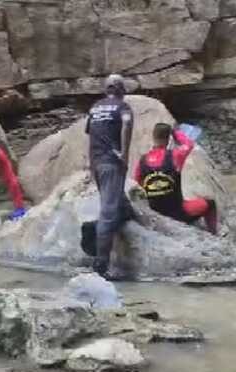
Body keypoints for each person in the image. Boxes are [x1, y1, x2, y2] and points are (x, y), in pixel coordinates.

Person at [85, 74, 135, 278]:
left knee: (113, 198)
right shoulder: (123, 107)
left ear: (107, 89)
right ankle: (101, 265)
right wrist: (124, 154)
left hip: (97, 162)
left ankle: (127, 212)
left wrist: (90, 164)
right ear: (121, 89)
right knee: (107, 213)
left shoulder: (95, 108)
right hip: (111, 163)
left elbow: (89, 135)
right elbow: (126, 125)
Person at [133, 122, 217, 234]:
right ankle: (213, 233)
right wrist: (176, 132)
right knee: (210, 203)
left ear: (153, 137)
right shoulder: (175, 155)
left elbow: (137, 180)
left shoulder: (142, 161)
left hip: (155, 210)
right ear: (168, 140)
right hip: (178, 212)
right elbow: (189, 145)